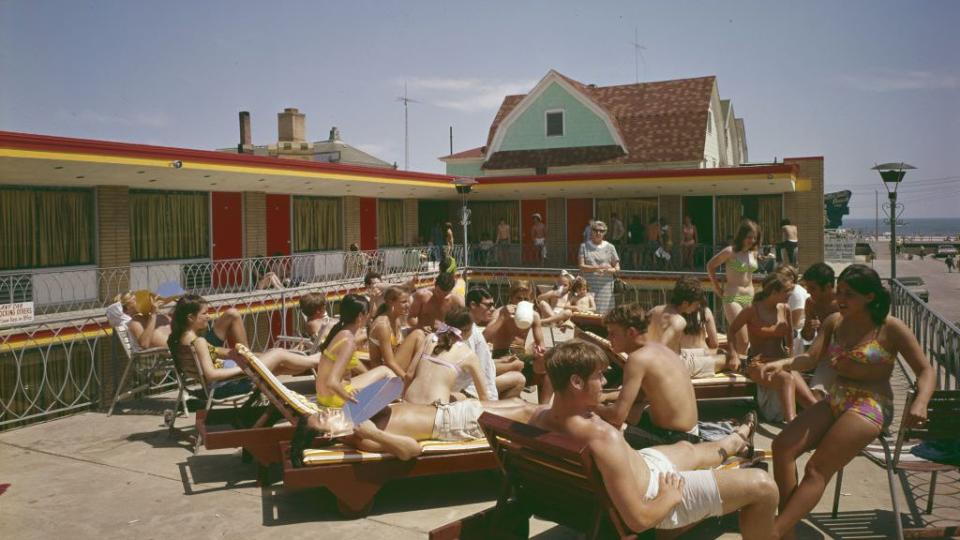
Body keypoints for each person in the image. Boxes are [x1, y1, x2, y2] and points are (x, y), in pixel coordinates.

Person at [529, 340, 778, 537]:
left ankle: (736, 440)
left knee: (687, 448)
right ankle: (737, 441)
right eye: (599, 375)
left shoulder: (540, 418)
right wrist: (669, 496)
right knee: (764, 487)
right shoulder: (602, 438)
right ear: (576, 381)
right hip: (655, 491)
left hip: (641, 465)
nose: (604, 381)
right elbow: (638, 520)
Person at [762, 264, 935, 539]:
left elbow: (926, 370)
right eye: (840, 291)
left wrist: (921, 402)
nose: (841, 298)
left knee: (816, 468)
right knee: (782, 447)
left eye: (849, 294)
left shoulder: (890, 328)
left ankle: (773, 533)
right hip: (837, 398)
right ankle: (786, 529)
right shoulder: (835, 322)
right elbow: (811, 358)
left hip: (872, 404)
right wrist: (784, 362)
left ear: (870, 297)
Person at [598, 303, 744, 446]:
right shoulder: (661, 349)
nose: (609, 338)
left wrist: (589, 404)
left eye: (612, 333)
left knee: (604, 428)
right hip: (691, 431)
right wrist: (605, 397)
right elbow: (640, 395)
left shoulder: (637, 359)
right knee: (635, 410)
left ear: (630, 332)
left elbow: (617, 416)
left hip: (675, 439)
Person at [291, 396, 538, 463]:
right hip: (454, 423)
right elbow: (412, 450)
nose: (330, 412)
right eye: (324, 417)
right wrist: (373, 433)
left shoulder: (359, 416)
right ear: (327, 434)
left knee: (520, 404)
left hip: (450, 409)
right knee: (527, 413)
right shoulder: (362, 436)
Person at [167, 294, 319, 395]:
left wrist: (239, 356)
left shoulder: (179, 338)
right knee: (278, 354)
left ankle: (305, 360)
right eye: (204, 314)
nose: (208, 316)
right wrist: (242, 369)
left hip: (224, 381)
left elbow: (214, 354)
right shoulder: (198, 341)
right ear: (190, 318)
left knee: (278, 362)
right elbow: (212, 375)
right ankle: (315, 360)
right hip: (227, 385)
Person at [728, 273, 816, 423]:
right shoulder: (752, 310)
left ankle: (827, 426)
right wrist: (733, 354)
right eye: (787, 291)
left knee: (810, 401)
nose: (791, 294)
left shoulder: (785, 308)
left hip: (781, 361)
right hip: (759, 363)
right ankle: (791, 423)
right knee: (787, 379)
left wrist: (791, 357)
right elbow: (732, 331)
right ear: (774, 292)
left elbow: (789, 335)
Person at [646, 277, 737, 378]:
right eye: (696, 303)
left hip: (675, 356)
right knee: (728, 359)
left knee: (719, 351)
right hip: (676, 365)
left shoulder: (654, 311)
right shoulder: (678, 321)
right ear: (685, 303)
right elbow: (660, 348)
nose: (698, 307)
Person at [315, 294, 395, 408]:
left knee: (380, 372)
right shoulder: (348, 342)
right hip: (333, 398)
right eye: (367, 313)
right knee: (386, 372)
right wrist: (351, 399)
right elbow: (332, 382)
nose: (369, 317)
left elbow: (348, 362)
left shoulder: (340, 332)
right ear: (360, 316)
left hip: (323, 396)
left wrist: (368, 375)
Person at [108, 291, 248, 352]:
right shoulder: (135, 322)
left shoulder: (160, 316)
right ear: (128, 309)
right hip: (191, 352)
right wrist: (153, 314)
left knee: (232, 313)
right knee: (232, 314)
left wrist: (178, 301)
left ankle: (250, 360)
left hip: (200, 343)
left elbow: (185, 326)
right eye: (135, 300)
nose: (140, 299)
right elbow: (144, 344)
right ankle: (251, 363)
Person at [404, 306, 492, 404]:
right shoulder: (468, 354)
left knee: (461, 396)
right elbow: (484, 396)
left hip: (409, 400)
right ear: (468, 329)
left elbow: (409, 374)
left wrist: (403, 399)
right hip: (435, 408)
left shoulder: (429, 338)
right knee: (467, 398)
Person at [484, 280, 550, 403]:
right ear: (511, 298)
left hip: (522, 356)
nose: (521, 302)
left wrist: (539, 352)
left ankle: (543, 409)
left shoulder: (534, 316)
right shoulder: (500, 312)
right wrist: (503, 318)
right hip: (502, 356)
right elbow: (484, 339)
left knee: (548, 365)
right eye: (518, 298)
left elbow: (541, 344)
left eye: (525, 299)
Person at [707, 219, 760, 356]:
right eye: (749, 237)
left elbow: (749, 275)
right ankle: (739, 365)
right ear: (742, 236)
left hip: (750, 297)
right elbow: (710, 266)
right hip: (733, 297)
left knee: (749, 339)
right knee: (743, 339)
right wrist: (717, 288)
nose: (752, 240)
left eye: (754, 237)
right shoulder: (730, 251)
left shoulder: (753, 253)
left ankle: (736, 362)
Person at [463, 287, 514, 399]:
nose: (492, 309)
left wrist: (499, 360)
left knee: (518, 372)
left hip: (477, 382)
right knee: (518, 377)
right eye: (488, 305)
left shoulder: (472, 326)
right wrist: (502, 317)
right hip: (471, 388)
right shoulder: (467, 329)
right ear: (473, 305)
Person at [367, 287, 427, 380]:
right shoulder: (383, 325)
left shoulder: (396, 320)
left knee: (421, 333)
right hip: (383, 373)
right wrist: (406, 379)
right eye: (404, 302)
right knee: (418, 334)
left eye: (408, 301)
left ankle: (422, 374)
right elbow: (389, 362)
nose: (408, 305)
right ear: (391, 302)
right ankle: (421, 376)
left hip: (393, 366)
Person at [800, 262, 840, 400]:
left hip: (850, 354)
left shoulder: (843, 302)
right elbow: (807, 336)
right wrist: (810, 327)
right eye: (807, 287)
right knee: (816, 393)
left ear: (828, 286)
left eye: (812, 288)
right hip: (826, 354)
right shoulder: (811, 303)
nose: (807, 291)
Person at [578, 220, 620, 314]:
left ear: (605, 232)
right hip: (589, 286)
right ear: (591, 231)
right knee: (588, 312)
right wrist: (597, 268)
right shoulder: (584, 246)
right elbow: (581, 266)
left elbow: (617, 268)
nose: (598, 233)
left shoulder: (610, 247)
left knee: (606, 314)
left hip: (606, 287)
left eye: (601, 231)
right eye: (595, 230)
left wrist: (608, 270)